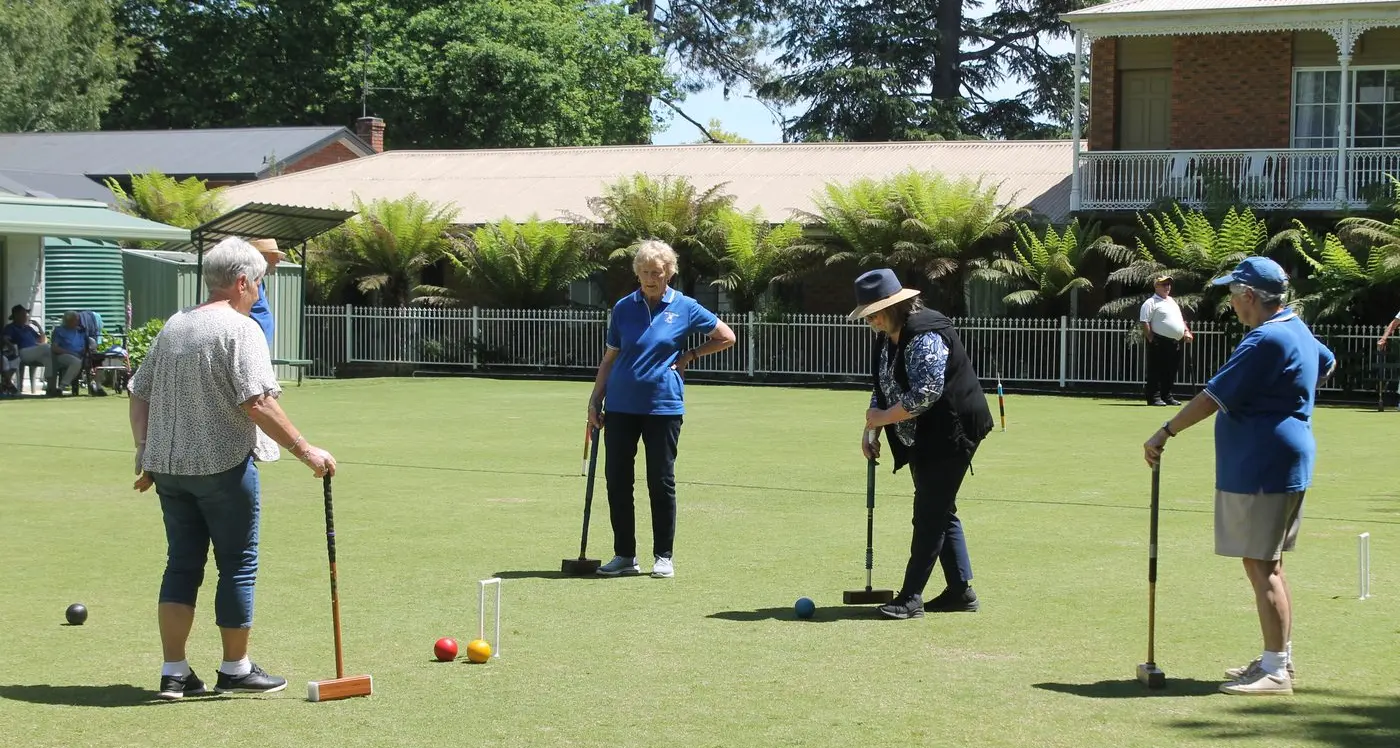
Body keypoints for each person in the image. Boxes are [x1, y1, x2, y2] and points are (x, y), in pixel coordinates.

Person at [128, 236, 337, 701]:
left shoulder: (176, 324)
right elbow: (258, 402)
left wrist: (144, 452)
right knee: (238, 565)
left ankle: (174, 673)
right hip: (221, 466)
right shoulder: (240, 329)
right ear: (242, 281)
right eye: (259, 283)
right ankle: (235, 668)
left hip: (169, 469)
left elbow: (138, 391)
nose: (260, 292)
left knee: (181, 565)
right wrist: (307, 451)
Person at [1143, 257, 1335, 696]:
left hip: (1263, 462)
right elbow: (1327, 363)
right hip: (1280, 457)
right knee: (1269, 562)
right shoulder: (1296, 328)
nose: (1230, 302)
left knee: (1261, 564)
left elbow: (1212, 396)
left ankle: (1276, 670)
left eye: (1233, 293)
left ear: (1250, 296)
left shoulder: (1264, 339)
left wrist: (1165, 431)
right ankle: (1277, 657)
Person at [586, 240, 736, 579]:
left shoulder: (685, 306)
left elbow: (727, 336)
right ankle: (625, 555)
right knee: (618, 481)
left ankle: (663, 556)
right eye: (644, 273)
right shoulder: (623, 308)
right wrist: (595, 399)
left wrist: (690, 356)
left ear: (669, 272)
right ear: (637, 274)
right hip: (621, 406)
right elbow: (610, 358)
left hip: (664, 407)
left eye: (657, 272)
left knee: (661, 480)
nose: (651, 279)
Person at [852, 268, 994, 620]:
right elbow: (884, 385)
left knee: (929, 513)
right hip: (924, 433)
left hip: (953, 430)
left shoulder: (925, 335)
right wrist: (872, 429)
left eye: (873, 313)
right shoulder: (887, 337)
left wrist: (883, 419)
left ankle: (911, 596)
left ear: (894, 307)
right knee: (941, 509)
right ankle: (961, 591)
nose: (869, 320)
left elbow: (926, 393)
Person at [1140, 274, 1193, 406]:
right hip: (1158, 341)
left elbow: (1180, 320)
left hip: (1174, 342)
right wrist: (1152, 339)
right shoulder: (1150, 303)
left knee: (1170, 370)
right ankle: (1154, 397)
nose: (1167, 287)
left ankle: (1167, 396)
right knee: (1156, 370)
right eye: (1164, 284)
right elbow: (1144, 322)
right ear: (1156, 286)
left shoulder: (1172, 302)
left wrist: (1186, 331)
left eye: (1168, 284)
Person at [1, 304, 47, 393]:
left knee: (47, 353)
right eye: (23, 314)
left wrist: (38, 326)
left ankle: (6, 384)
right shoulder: (11, 327)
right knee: (46, 348)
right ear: (16, 316)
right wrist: (11, 346)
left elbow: (42, 340)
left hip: (35, 351)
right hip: (23, 352)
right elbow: (5, 338)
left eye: (26, 314)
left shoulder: (28, 328)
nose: (26, 316)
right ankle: (8, 383)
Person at [247, 238, 284, 349]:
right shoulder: (251, 281)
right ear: (263, 258)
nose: (278, 261)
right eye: (275, 256)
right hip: (253, 344)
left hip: (261, 343)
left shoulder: (260, 281)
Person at [47, 310, 88, 395]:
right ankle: (62, 387)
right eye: (75, 320)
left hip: (81, 356)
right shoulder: (59, 331)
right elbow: (54, 348)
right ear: (68, 321)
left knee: (94, 361)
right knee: (76, 362)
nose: (78, 321)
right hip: (63, 355)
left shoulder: (81, 331)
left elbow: (86, 344)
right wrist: (71, 353)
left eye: (78, 319)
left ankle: (96, 386)